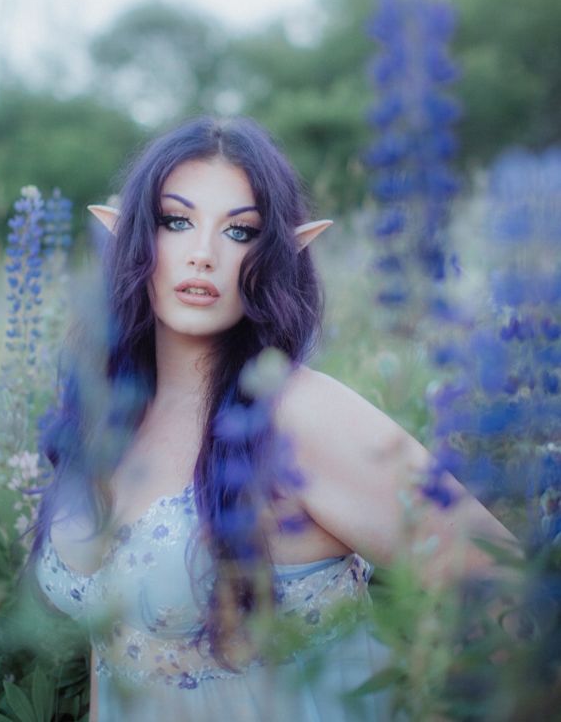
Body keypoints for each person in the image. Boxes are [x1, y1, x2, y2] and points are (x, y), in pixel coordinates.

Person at [32, 116, 514, 721]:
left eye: (241, 232)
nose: (203, 255)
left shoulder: (298, 412)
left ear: (280, 252)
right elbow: (114, 652)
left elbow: (510, 598)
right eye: (176, 221)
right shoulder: (107, 416)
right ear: (127, 236)